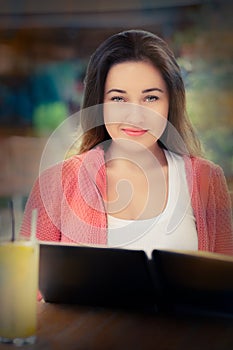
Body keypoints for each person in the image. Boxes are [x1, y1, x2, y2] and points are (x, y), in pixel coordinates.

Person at [20, 29, 233, 256]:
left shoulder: (207, 180)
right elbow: (23, 284)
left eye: (150, 98)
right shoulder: (55, 184)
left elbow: (224, 282)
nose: (135, 116)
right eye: (118, 98)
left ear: (171, 102)